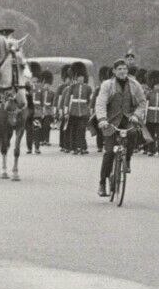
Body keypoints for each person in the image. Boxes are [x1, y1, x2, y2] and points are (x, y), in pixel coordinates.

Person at [94, 58, 150, 198]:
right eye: (119, 69)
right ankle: (102, 183)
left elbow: (142, 102)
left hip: (128, 118)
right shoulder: (107, 85)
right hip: (111, 121)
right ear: (114, 71)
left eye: (125, 68)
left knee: (133, 134)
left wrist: (137, 115)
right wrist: (102, 119)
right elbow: (100, 103)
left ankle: (128, 159)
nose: (123, 71)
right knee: (109, 152)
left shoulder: (134, 84)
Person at [64, 62, 93, 154]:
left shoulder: (88, 88)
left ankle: (82, 147)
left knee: (82, 130)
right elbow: (67, 100)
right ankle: (75, 148)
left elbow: (90, 100)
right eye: (79, 77)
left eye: (82, 77)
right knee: (74, 130)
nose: (81, 78)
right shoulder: (72, 87)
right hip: (73, 111)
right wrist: (66, 112)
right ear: (77, 78)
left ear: (84, 78)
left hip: (84, 111)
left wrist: (89, 110)